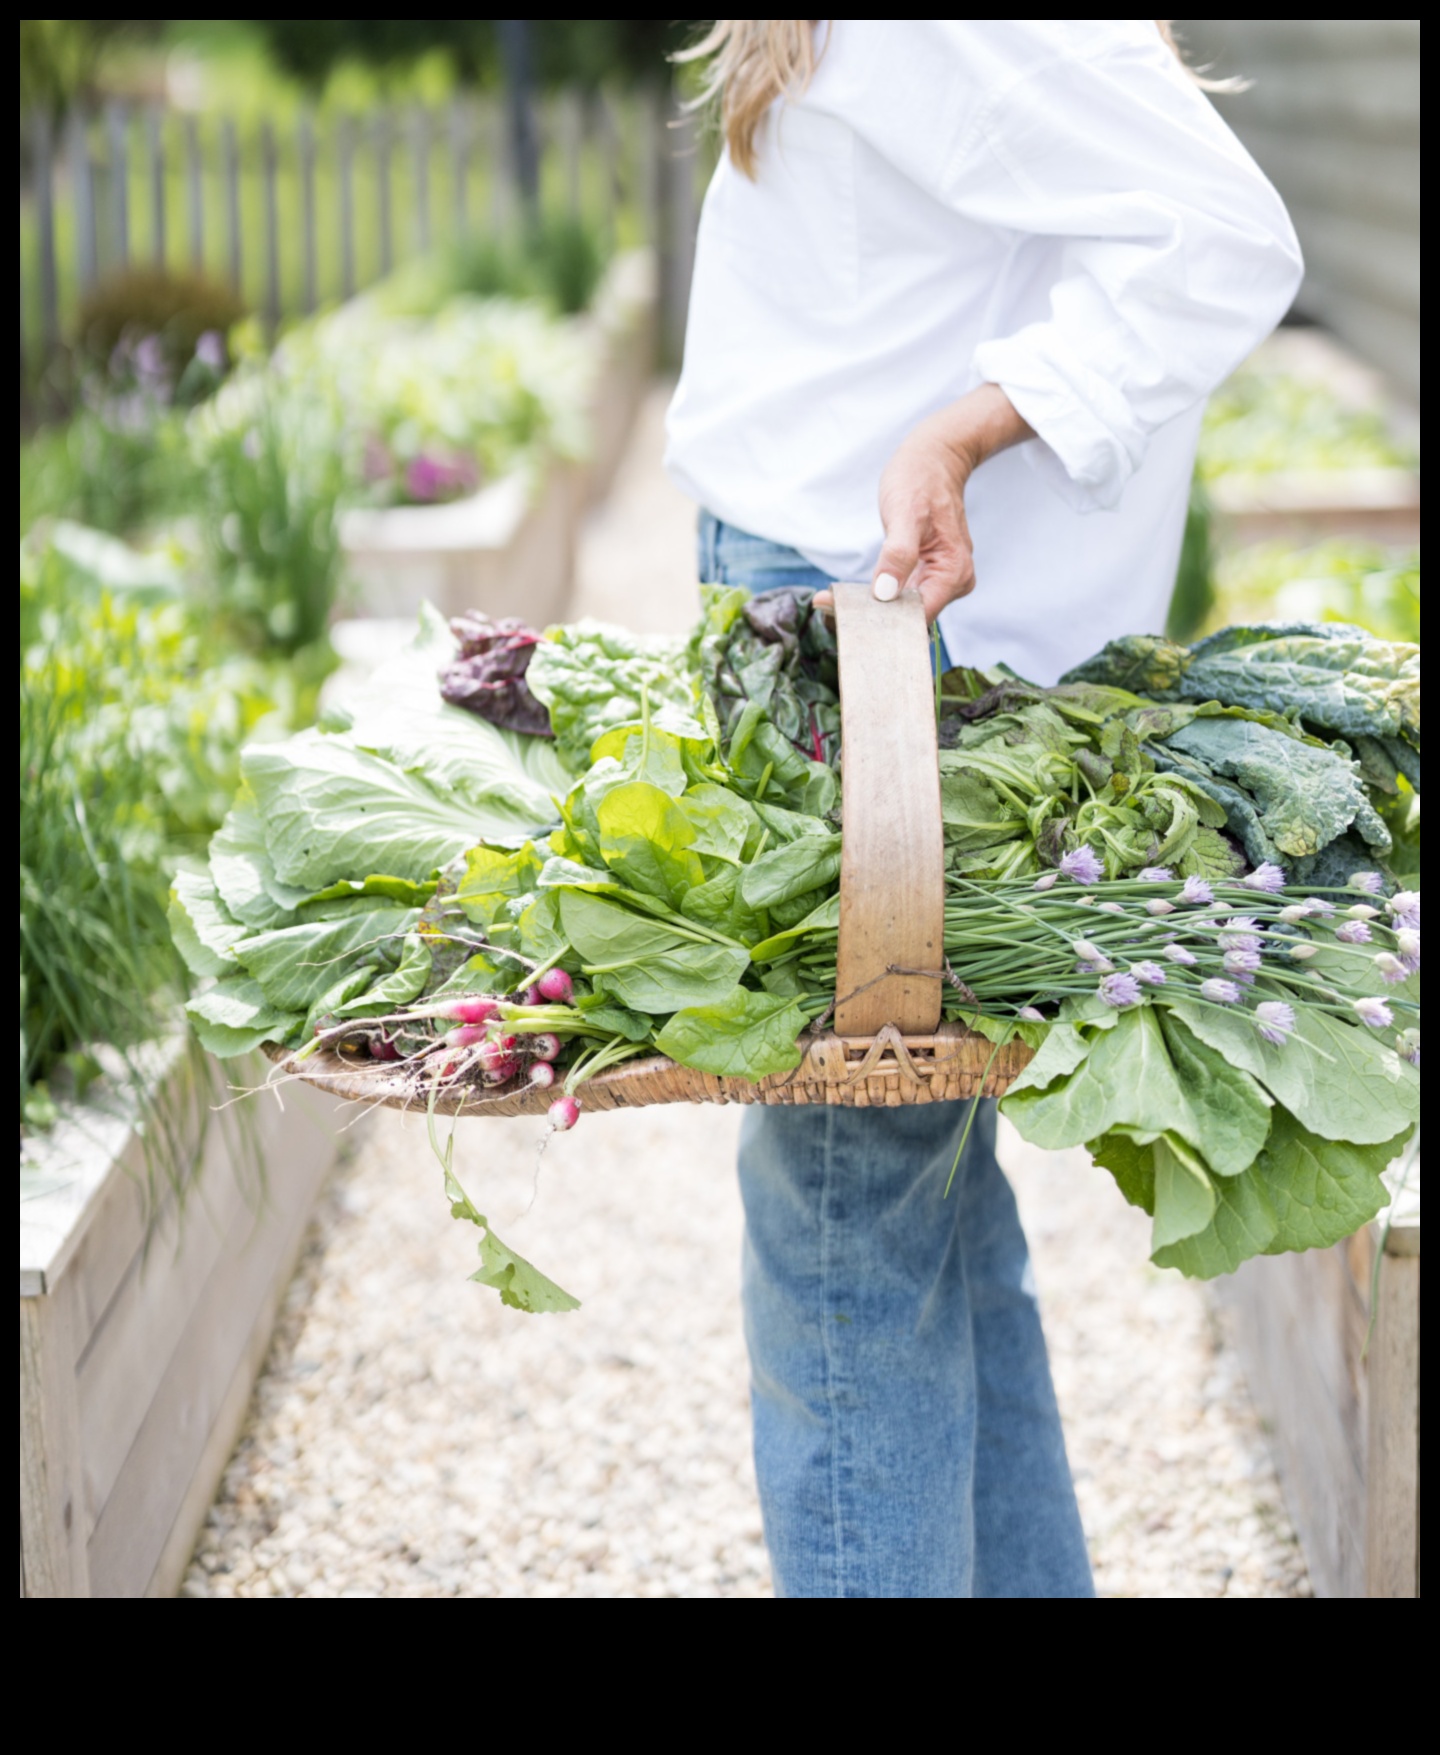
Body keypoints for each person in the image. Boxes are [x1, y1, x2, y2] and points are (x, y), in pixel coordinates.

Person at [664, 20, 1302, 1599]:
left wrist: (961, 427)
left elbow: (1227, 240)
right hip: (837, 604)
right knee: (919, 1212)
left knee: (840, 1229)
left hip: (859, 622)